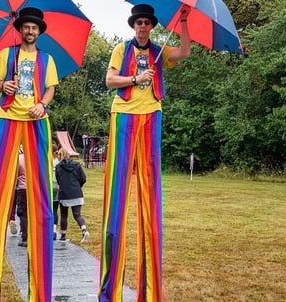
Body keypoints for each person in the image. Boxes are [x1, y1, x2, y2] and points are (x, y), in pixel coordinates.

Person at [98, 4, 191, 302]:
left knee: (150, 194)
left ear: (152, 27)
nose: (142, 27)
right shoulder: (120, 50)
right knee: (118, 192)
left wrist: (185, 22)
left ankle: (150, 293)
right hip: (123, 115)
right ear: (133, 25)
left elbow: (184, 52)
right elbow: (110, 81)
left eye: (146, 23)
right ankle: (110, 291)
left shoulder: (159, 52)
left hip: (152, 115)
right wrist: (135, 79)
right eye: (138, 22)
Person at [0, 7, 58, 302]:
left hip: (36, 121)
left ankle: (40, 291)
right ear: (20, 29)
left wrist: (43, 106)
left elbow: (49, 90)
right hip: (6, 117)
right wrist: (4, 85)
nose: (30, 31)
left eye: (35, 27)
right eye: (27, 27)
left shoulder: (47, 59)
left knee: (40, 193)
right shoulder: (5, 55)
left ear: (39, 31)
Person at [55, 148, 89, 243]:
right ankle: (84, 230)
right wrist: (78, 186)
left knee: (63, 215)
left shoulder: (58, 167)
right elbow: (83, 178)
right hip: (76, 192)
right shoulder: (77, 165)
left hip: (64, 193)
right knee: (77, 215)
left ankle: (63, 235)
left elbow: (58, 180)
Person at [52, 144, 60, 240]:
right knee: (55, 210)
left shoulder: (47, 161)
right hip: (57, 188)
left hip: (48, 187)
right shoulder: (58, 162)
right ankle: (54, 230)